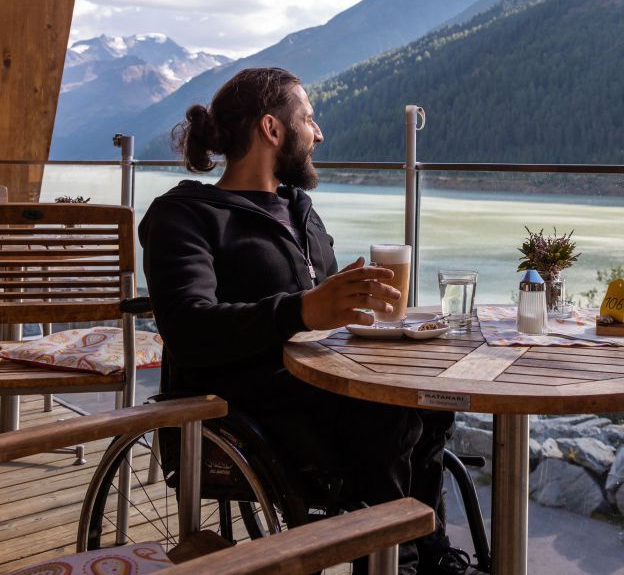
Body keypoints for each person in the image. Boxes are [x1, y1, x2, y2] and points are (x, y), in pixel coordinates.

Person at [139, 66, 468, 575]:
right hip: (242, 403)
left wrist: (360, 307)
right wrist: (302, 310)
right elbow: (188, 327)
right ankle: (397, 559)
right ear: (272, 130)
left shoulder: (300, 210)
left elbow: (328, 313)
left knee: (427, 395)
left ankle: (428, 547)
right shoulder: (185, 216)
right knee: (387, 412)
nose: (319, 133)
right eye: (309, 119)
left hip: (322, 380)